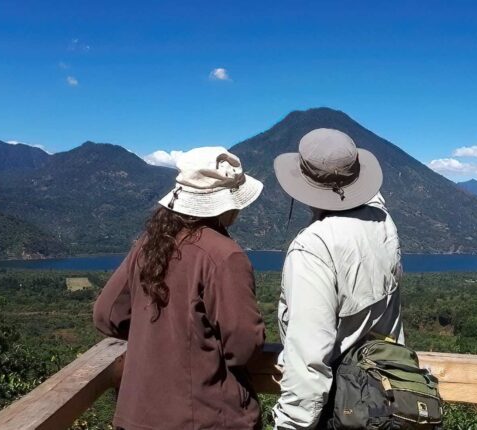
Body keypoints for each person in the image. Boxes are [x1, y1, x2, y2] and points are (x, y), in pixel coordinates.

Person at [93, 147, 265, 430]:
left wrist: (158, 341)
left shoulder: (149, 244)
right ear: (226, 202)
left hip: (138, 415)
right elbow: (243, 347)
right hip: (208, 417)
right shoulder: (224, 255)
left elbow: (106, 315)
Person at [272, 128, 404, 429]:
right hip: (386, 400)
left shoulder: (314, 247)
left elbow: (309, 360)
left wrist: (290, 424)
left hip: (339, 412)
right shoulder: (384, 224)